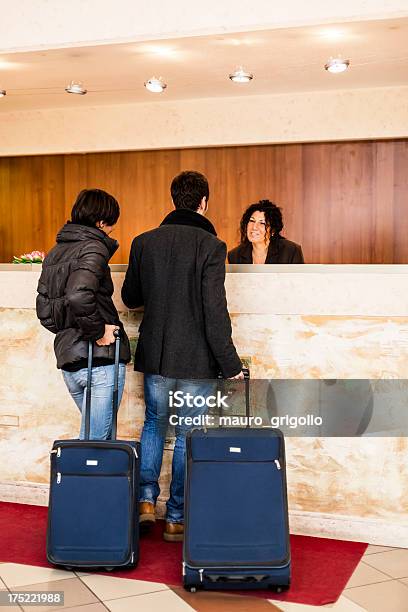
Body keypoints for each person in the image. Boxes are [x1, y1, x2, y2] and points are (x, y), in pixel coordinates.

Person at [122, 170, 243, 542]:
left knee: (154, 423)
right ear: (204, 202)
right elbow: (214, 311)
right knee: (188, 432)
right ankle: (175, 517)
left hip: (156, 354)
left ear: (174, 199)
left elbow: (130, 298)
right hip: (195, 360)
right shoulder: (211, 246)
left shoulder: (144, 242)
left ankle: (145, 501)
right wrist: (230, 364)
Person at [36, 189, 131, 440]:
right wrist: (98, 331)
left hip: (70, 362)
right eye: (111, 224)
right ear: (101, 222)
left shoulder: (56, 252)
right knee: (95, 445)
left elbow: (45, 312)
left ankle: (91, 480)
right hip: (98, 362)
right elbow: (78, 295)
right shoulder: (94, 247)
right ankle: (80, 481)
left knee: (96, 441)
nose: (112, 230)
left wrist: (70, 331)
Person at [228, 199, 304, 264]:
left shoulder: (291, 251)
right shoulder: (234, 255)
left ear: (273, 230)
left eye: (262, 223)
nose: (254, 227)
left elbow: (300, 280)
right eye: (252, 221)